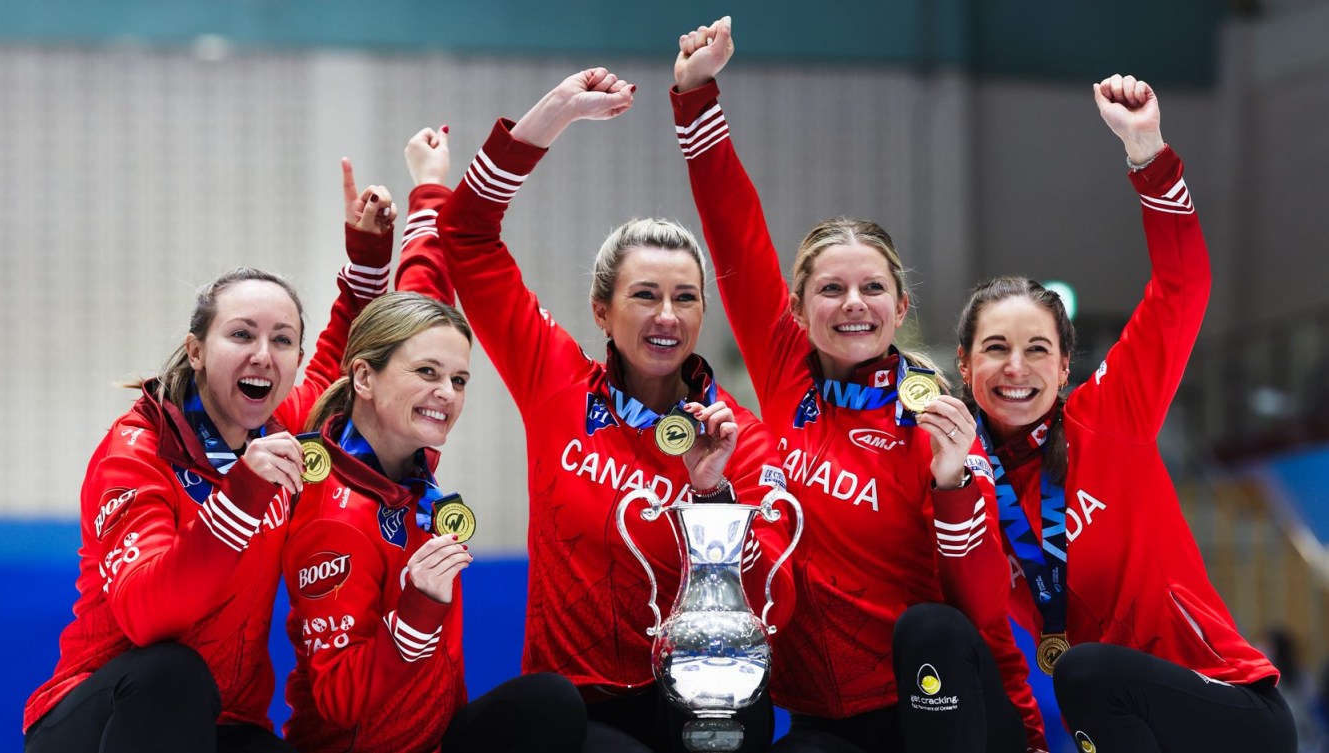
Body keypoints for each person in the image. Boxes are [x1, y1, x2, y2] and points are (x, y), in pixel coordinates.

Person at [671, 17, 1046, 753]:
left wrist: (952, 487)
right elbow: (733, 230)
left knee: (930, 626)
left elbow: (980, 605)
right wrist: (695, 94)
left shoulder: (937, 416)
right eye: (832, 288)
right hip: (830, 715)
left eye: (872, 287)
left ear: (900, 307)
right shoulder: (784, 368)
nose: (852, 303)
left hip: (944, 707)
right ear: (798, 306)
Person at [408, 69, 797, 752]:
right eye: (645, 294)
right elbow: (466, 235)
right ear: (602, 312)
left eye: (686, 298)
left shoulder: (740, 439)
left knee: (737, 720)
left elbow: (774, 603)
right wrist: (552, 115)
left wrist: (713, 495)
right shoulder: (555, 381)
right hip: (573, 711)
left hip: (688, 696)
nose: (667, 317)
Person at [954, 74, 1297, 753]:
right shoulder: (966, 487)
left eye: (1036, 350)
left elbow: (1182, 286)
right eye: (995, 348)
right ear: (964, 366)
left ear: (1063, 366)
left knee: (1085, 671)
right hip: (1114, 723)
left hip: (1230, 708)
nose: (1016, 368)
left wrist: (1147, 152)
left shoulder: (1108, 414)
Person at [23, 164, 397, 752]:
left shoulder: (281, 428)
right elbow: (149, 619)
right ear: (197, 350)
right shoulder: (137, 451)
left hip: (225, 724)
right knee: (174, 675)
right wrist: (241, 495)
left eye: (281, 340)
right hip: (99, 715)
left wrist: (369, 253)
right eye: (241, 335)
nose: (263, 355)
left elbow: (336, 357)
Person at [282, 289, 587, 752]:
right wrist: (418, 611)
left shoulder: (406, 478)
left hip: (431, 740)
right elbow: (338, 699)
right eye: (427, 372)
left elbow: (421, 280)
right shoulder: (335, 522)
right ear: (364, 376)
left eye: (459, 380)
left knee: (549, 704)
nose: (447, 393)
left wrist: (425, 218)